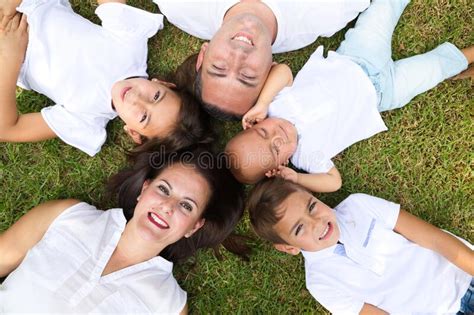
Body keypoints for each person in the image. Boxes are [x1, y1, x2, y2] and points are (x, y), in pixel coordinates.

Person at [225, 0, 474, 192]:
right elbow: (334, 182)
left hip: (358, 54)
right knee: (435, 69)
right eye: (275, 148)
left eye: (263, 132)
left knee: (383, 9)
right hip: (386, 92)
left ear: (255, 123)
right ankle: (468, 56)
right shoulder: (307, 156)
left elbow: (283, 71)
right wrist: (298, 178)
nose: (277, 135)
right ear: (278, 167)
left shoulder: (275, 107)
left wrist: (262, 103)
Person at [0, 144, 245, 313]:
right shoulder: (67, 216)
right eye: (163, 189)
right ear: (143, 190)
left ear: (194, 227)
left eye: (186, 206)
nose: (167, 206)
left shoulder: (167, 305)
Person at [0, 0, 211, 157]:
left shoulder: (86, 120)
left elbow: (8, 128)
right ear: (163, 83)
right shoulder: (131, 45)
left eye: (143, 117)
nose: (137, 99)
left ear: (133, 133)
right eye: (156, 96)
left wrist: (9, 58)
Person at [247, 177, 474, 314]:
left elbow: (436, 239)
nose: (317, 223)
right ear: (289, 247)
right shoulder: (319, 282)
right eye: (299, 228)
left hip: (464, 279)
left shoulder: (359, 206)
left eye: (312, 206)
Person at [154, 0, 370, 119]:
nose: (238, 56)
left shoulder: (180, 6)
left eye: (219, 67)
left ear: (203, 55)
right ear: (270, 70)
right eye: (247, 75)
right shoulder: (328, 11)